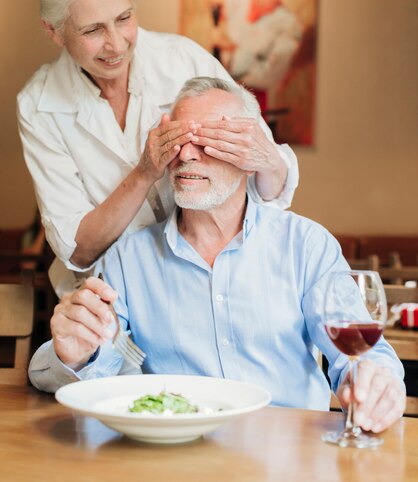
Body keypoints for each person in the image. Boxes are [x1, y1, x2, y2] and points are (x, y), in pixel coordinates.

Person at [29, 77, 405, 433]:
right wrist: (75, 357)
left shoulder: (305, 246)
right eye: (177, 139)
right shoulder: (129, 259)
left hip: (289, 461)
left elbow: (363, 356)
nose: (186, 154)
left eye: (211, 139)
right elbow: (99, 367)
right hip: (176, 460)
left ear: (249, 150)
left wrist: (376, 385)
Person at [17, 0, 298, 296]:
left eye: (124, 19)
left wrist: (268, 160)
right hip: (116, 295)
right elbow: (78, 249)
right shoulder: (39, 104)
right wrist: (144, 172)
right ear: (54, 31)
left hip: (214, 279)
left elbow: (265, 183)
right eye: (92, 30)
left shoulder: (183, 61)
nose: (116, 44)